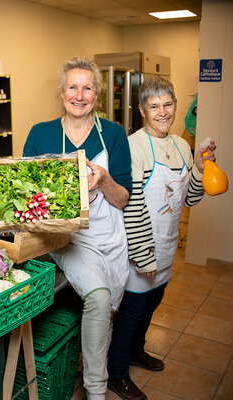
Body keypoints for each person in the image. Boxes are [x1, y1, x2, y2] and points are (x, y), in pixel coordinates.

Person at [23, 56, 132, 400]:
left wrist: (104, 180)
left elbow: (124, 199)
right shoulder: (41, 134)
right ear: (62, 92)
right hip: (68, 238)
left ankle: (93, 365)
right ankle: (95, 391)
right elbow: (26, 191)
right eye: (73, 86)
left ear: (97, 95)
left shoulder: (113, 134)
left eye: (87, 88)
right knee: (99, 300)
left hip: (109, 234)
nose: (79, 94)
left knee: (109, 308)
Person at [107, 77, 216, 400]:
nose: (162, 112)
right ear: (143, 110)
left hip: (167, 244)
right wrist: (144, 256)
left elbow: (190, 199)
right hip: (141, 247)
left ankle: (137, 351)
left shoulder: (183, 146)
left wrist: (197, 169)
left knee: (151, 306)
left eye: (167, 104)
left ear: (176, 106)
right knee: (130, 313)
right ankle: (118, 373)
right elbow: (132, 206)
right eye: (154, 106)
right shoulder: (134, 146)